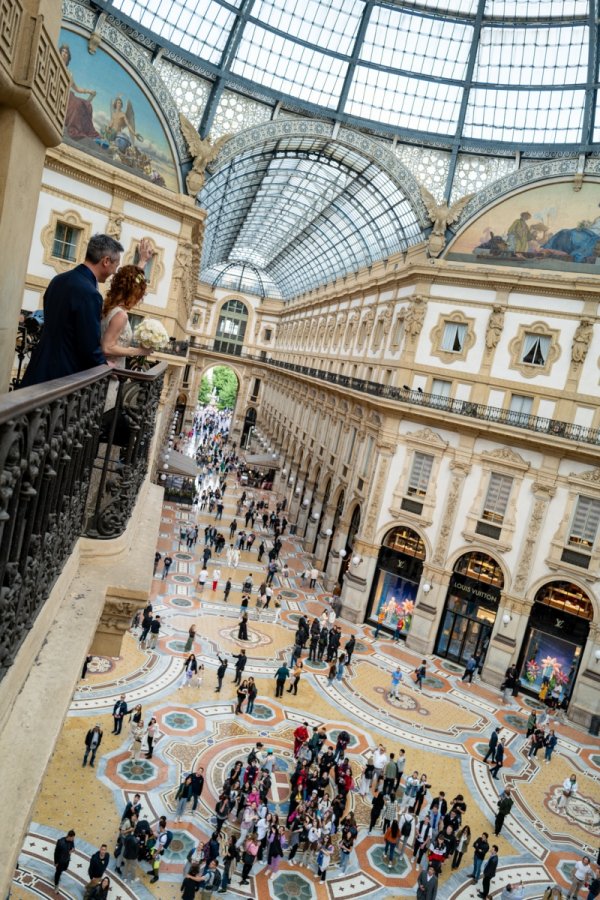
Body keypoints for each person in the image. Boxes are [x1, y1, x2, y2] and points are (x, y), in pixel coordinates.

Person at [20, 234, 123, 387]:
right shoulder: (91, 293)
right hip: (62, 377)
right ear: (106, 261)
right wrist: (104, 366)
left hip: (38, 366)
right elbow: (88, 345)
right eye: (116, 265)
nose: (114, 272)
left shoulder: (58, 280)